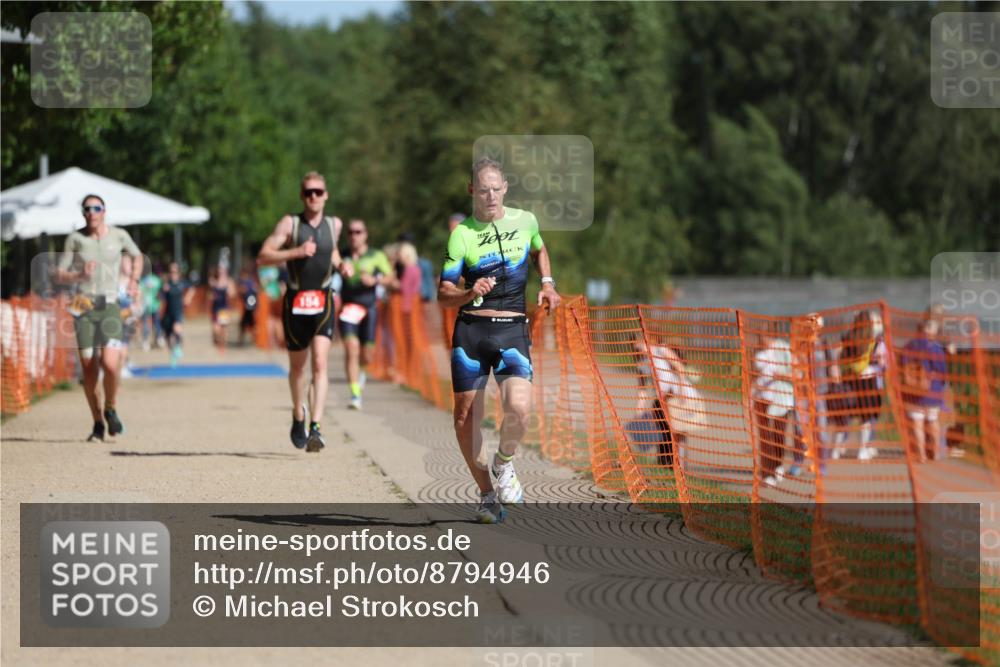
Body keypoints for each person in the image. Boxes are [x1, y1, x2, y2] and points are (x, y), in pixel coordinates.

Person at [438, 158, 561, 523]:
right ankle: (486, 494)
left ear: (505, 187)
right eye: (483, 189)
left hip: (512, 329)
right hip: (471, 333)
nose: (490, 196)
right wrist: (467, 291)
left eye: (496, 188)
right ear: (471, 191)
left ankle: (504, 462)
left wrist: (549, 284)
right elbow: (443, 293)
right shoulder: (461, 234)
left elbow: (539, 249)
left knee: (520, 409)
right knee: (464, 418)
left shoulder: (525, 221)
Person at [258, 171, 342, 452]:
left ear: (326, 194)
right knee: (298, 367)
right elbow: (263, 256)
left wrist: (342, 265)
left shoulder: (334, 224)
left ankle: (316, 426)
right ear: (302, 196)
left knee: (320, 362)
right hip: (295, 301)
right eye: (308, 192)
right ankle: (298, 414)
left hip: (323, 300)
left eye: (318, 191)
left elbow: (331, 252)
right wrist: (294, 252)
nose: (314, 197)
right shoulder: (290, 223)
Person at [55, 194, 143, 441]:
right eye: (87, 209)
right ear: (83, 213)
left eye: (96, 208)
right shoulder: (75, 239)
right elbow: (60, 273)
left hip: (110, 305)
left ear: (104, 211)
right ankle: (97, 423)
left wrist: (134, 280)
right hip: (83, 305)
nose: (91, 212)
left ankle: (111, 408)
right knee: (89, 369)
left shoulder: (119, 235)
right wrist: (78, 275)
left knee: (111, 364)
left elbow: (137, 255)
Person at [339, 219, 394, 409]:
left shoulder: (375, 255)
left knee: (366, 355)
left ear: (365, 234)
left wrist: (375, 280)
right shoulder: (342, 255)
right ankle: (355, 394)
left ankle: (361, 373)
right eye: (351, 232)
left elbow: (390, 277)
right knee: (351, 347)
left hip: (369, 307)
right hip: (348, 308)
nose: (354, 236)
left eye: (358, 232)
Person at [831, 309, 887, 460]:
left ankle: (836, 450)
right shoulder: (874, 340)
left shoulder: (847, 337)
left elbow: (837, 355)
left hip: (850, 380)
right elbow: (882, 361)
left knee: (845, 418)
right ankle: (862, 450)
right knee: (866, 419)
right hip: (868, 382)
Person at [899, 310, 948, 463]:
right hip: (932, 391)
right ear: (933, 331)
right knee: (933, 422)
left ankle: (921, 455)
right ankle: (935, 453)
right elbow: (942, 371)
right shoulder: (935, 348)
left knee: (917, 423)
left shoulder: (908, 346)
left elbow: (901, 366)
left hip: (913, 391)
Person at [160, 262, 194, 367]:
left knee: (177, 329)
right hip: (168, 313)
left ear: (178, 273)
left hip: (178, 311)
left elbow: (192, 288)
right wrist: (163, 291)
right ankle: (173, 354)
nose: (173, 274)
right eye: (171, 272)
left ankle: (178, 347)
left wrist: (188, 297)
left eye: (175, 271)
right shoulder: (167, 284)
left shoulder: (182, 283)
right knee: (168, 337)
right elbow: (160, 297)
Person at [208, 264, 237, 352]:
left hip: (224, 309)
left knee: (224, 329)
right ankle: (217, 340)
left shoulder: (229, 281)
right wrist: (212, 295)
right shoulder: (213, 281)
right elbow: (209, 294)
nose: (222, 272)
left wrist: (230, 291)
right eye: (220, 270)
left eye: (223, 270)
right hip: (215, 308)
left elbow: (233, 293)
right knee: (216, 330)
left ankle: (223, 346)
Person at [140, 265, 163, 350]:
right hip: (154, 305)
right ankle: (159, 338)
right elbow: (159, 294)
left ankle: (146, 341)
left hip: (146, 305)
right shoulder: (156, 280)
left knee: (146, 323)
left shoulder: (143, 280)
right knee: (156, 323)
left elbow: (140, 292)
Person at [237, 265, 259, 347]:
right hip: (250, 307)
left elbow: (243, 292)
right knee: (250, 325)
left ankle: (251, 340)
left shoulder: (247, 283)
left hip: (248, 307)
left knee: (246, 325)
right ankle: (253, 340)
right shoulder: (251, 282)